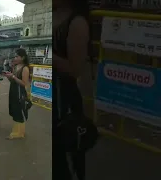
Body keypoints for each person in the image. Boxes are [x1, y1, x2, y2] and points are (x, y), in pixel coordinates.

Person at [52, 0, 90, 180]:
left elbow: (75, 69)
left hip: (64, 100)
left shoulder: (77, 22)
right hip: (49, 96)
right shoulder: (52, 15)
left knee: (65, 153)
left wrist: (48, 56)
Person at [3, 48, 30, 140]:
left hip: (20, 93)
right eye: (14, 56)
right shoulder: (16, 67)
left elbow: (24, 83)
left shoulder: (25, 68)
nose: (15, 58)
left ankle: (19, 133)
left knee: (19, 112)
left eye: (17, 56)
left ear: (22, 57)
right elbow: (13, 81)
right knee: (14, 110)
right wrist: (9, 76)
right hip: (13, 91)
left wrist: (13, 76)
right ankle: (16, 131)